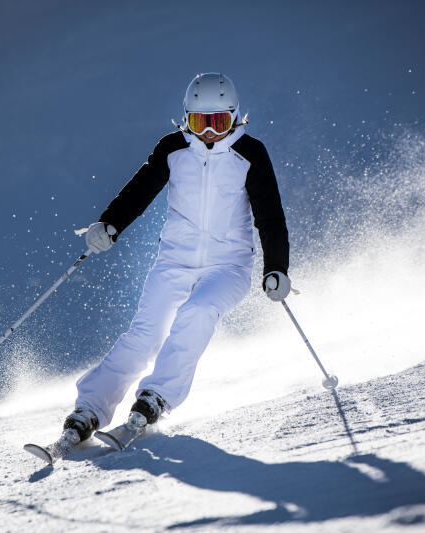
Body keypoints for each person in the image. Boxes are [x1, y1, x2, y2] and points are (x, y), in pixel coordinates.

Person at [61, 72, 291, 446]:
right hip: (174, 263)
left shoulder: (250, 154)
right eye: (201, 122)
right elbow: (140, 189)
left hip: (228, 268)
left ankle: (156, 396)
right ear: (187, 118)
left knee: (196, 313)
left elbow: (270, 216)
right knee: (144, 335)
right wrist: (109, 224)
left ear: (235, 117)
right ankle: (89, 409)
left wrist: (276, 268)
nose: (210, 132)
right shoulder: (173, 149)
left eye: (220, 121)